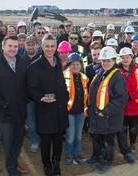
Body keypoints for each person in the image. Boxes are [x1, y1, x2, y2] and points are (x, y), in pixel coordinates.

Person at [0, 35, 27, 176]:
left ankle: (14, 163)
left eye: (15, 46)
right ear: (3, 47)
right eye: (10, 46)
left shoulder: (21, 62)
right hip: (5, 112)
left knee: (18, 142)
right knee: (9, 144)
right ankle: (11, 170)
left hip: (20, 110)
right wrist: (2, 103)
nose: (13, 49)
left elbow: (26, 84)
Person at [27, 34, 69, 176]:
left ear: (56, 46)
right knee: (45, 142)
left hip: (60, 110)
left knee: (58, 141)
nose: (50, 49)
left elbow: (61, 83)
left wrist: (66, 97)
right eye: (47, 46)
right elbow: (31, 89)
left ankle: (56, 163)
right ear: (41, 46)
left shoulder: (57, 62)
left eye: (52, 46)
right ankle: (46, 165)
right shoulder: (35, 66)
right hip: (45, 110)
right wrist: (41, 98)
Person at [87, 46, 128, 174]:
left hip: (108, 117)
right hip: (96, 115)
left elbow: (121, 99)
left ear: (114, 60)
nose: (105, 63)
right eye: (103, 60)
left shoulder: (117, 77)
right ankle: (96, 156)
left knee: (108, 141)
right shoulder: (100, 73)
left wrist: (105, 111)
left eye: (108, 60)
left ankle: (108, 161)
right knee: (96, 137)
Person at [117, 47, 138, 154]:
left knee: (133, 127)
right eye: (123, 57)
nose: (125, 59)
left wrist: (132, 95)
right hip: (121, 107)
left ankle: (132, 144)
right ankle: (124, 145)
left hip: (135, 106)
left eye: (128, 57)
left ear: (132, 58)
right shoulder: (116, 71)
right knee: (122, 127)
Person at [63, 53, 89, 166]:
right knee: (70, 135)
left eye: (78, 64)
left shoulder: (84, 78)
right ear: (69, 65)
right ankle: (69, 154)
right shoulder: (63, 76)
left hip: (81, 112)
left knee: (78, 135)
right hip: (69, 112)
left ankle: (77, 155)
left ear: (81, 65)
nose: (75, 66)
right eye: (73, 64)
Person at [23, 36, 41, 153]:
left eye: (32, 44)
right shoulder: (19, 60)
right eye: (28, 44)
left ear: (37, 45)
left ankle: (44, 139)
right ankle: (35, 141)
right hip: (28, 98)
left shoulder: (42, 59)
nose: (30, 46)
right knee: (31, 122)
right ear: (25, 46)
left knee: (43, 120)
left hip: (40, 96)